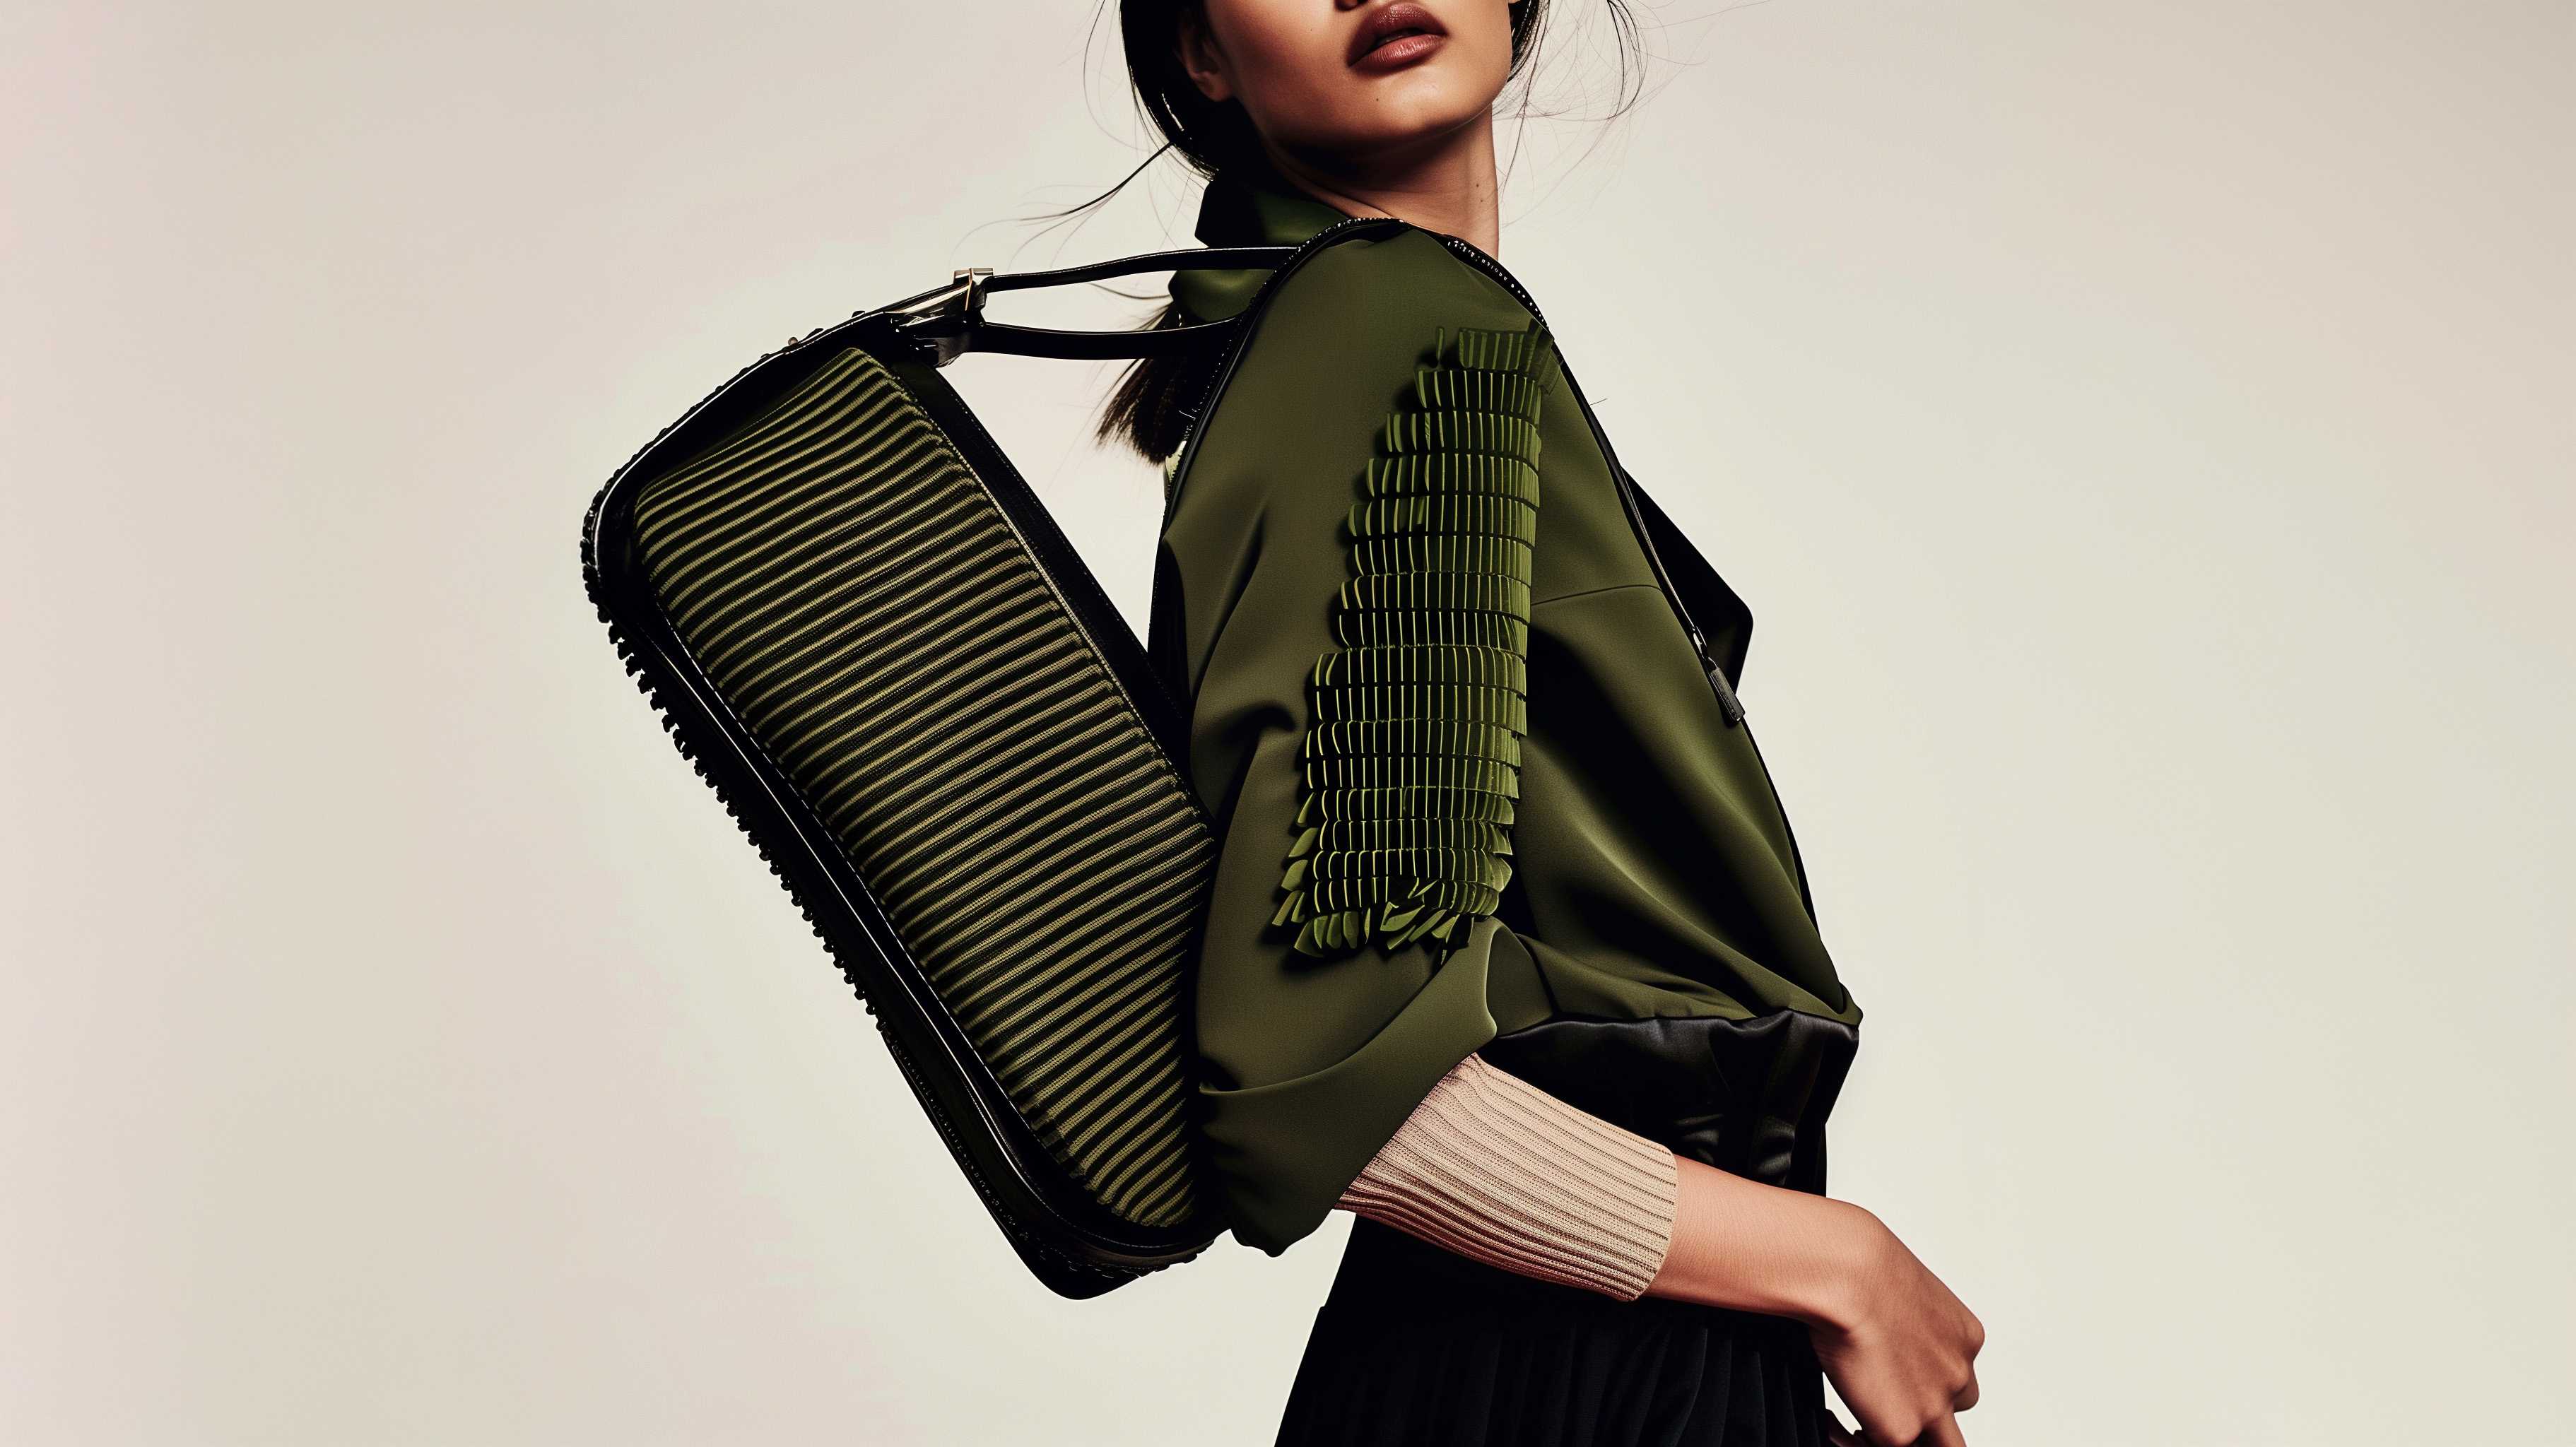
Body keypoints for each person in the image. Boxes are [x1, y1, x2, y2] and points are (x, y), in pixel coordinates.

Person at [1079, 3, 1986, 1443]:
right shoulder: (1394, 327)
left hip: (1554, 1344)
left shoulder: (1367, 326)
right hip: (1582, 1349)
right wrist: (1830, 1262)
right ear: (1197, 49)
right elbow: (1320, 1081)